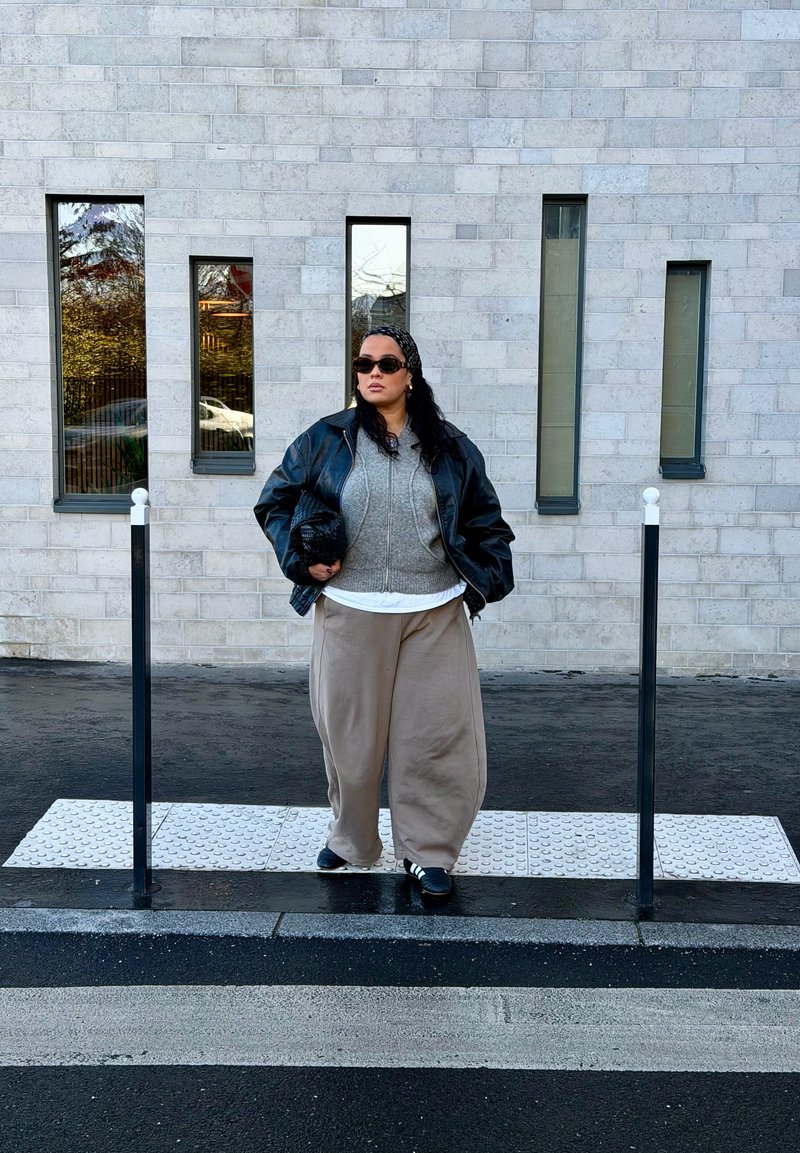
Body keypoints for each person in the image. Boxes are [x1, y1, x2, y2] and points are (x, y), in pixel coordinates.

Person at [254, 325, 514, 898]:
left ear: (409, 375)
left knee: (434, 738)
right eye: (363, 363)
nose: (373, 372)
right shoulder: (326, 439)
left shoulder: (451, 447)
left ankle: (428, 850)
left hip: (433, 613)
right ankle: (352, 839)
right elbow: (275, 502)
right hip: (351, 610)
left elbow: (486, 522)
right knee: (350, 740)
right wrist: (302, 560)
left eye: (387, 364)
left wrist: (485, 576)